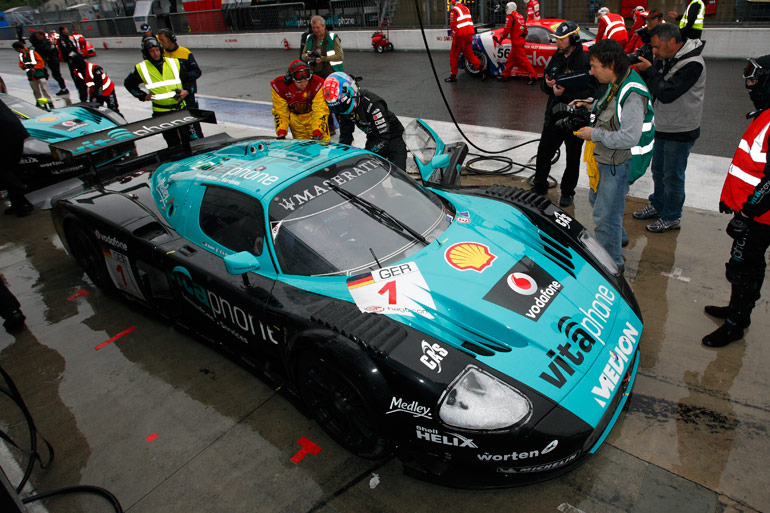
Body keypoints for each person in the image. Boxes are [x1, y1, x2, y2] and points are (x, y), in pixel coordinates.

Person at [702, 55, 770, 347]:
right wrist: (731, 200)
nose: (750, 87)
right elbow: (750, 167)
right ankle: (736, 310)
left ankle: (736, 324)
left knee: (742, 268)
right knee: (746, 266)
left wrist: (746, 215)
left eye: (755, 81)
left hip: (760, 217)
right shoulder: (765, 114)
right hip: (751, 211)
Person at [574, 39, 655, 270]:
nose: (592, 72)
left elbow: (629, 137)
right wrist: (588, 105)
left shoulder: (632, 93)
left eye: (595, 66)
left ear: (610, 64)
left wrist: (594, 134)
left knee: (605, 216)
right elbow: (608, 105)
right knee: (598, 199)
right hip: (609, 158)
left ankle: (612, 266)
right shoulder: (618, 80)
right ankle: (618, 237)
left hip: (621, 161)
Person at [633, 23, 706, 232]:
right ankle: (658, 204)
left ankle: (672, 216)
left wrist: (651, 70)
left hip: (681, 129)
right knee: (658, 171)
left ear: (671, 42)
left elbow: (666, 93)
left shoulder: (693, 64)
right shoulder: (670, 59)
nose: (654, 52)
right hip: (664, 125)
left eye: (656, 47)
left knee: (672, 175)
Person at [532, 21, 600, 207]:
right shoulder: (557, 57)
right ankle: (539, 186)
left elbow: (594, 92)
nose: (558, 42)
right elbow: (544, 84)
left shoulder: (586, 60)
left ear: (574, 38)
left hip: (575, 119)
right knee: (544, 152)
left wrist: (566, 94)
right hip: (553, 116)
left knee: (573, 158)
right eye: (557, 39)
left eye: (562, 39)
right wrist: (549, 85)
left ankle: (567, 192)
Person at [323, 72, 407, 170]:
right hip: (373, 138)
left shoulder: (373, 104)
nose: (340, 110)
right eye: (336, 108)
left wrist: (364, 155)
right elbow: (346, 137)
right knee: (370, 175)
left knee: (397, 176)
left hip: (393, 138)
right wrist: (337, 157)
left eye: (341, 106)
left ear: (351, 92)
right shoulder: (343, 111)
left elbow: (383, 139)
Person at [124, 37, 193, 148]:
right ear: (146, 53)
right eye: (152, 51)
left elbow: (188, 79)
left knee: (189, 140)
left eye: (157, 50)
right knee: (172, 143)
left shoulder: (174, 63)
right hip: (161, 112)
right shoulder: (141, 68)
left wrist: (186, 91)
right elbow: (129, 84)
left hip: (180, 108)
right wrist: (142, 96)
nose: (155, 54)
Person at [157, 28, 203, 137]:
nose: (161, 43)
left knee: (192, 124)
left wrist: (184, 78)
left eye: (162, 40)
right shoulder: (161, 54)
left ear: (170, 39)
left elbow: (197, 71)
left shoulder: (185, 53)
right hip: (171, 96)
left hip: (187, 94)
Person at [302, 15, 343, 134]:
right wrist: (308, 57)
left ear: (324, 26)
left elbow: (340, 56)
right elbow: (303, 55)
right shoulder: (309, 38)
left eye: (318, 27)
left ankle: (344, 128)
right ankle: (330, 128)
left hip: (332, 75)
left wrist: (323, 58)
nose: (315, 30)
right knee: (322, 103)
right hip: (316, 75)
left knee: (336, 102)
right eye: (313, 27)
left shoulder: (332, 37)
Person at [271, 60, 330, 141]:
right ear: (290, 78)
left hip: (313, 117)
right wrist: (281, 132)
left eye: (306, 80)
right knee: (301, 149)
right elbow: (280, 111)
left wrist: (317, 133)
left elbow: (320, 110)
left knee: (323, 147)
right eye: (299, 82)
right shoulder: (279, 85)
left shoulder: (318, 84)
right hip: (296, 121)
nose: (303, 84)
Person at [0, 98, 33, 218]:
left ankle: (22, 203)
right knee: (12, 168)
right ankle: (19, 203)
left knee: (4, 170)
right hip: (15, 131)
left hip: (5, 134)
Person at [444, 0, 485, 83]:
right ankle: (482, 69)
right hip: (469, 35)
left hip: (460, 36)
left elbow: (454, 27)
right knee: (469, 54)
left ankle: (453, 75)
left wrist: (454, 40)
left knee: (453, 56)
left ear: (453, 2)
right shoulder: (466, 8)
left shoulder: (454, 10)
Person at [496, 2, 536, 84]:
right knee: (511, 60)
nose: (505, 9)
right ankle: (505, 75)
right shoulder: (520, 16)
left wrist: (500, 40)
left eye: (507, 7)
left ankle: (533, 76)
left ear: (511, 8)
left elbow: (506, 31)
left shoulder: (510, 17)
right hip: (520, 41)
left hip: (516, 42)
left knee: (524, 60)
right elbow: (526, 30)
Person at [13, 42, 53, 106]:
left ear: (19, 48)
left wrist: (35, 68)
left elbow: (41, 62)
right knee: (35, 89)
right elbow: (21, 65)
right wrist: (24, 67)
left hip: (39, 73)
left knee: (44, 87)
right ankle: (39, 101)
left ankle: (49, 101)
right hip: (30, 74)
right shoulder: (21, 56)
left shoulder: (32, 53)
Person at [31, 30, 69, 96]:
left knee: (57, 75)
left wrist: (48, 57)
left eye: (38, 36)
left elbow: (49, 51)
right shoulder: (47, 42)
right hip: (53, 59)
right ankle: (63, 88)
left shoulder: (45, 43)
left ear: (41, 35)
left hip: (52, 60)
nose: (37, 38)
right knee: (56, 75)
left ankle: (64, 89)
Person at [57, 26, 88, 102]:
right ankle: (83, 98)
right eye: (66, 29)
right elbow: (66, 51)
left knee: (83, 81)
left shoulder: (67, 38)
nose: (67, 30)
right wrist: (75, 56)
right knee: (79, 81)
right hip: (72, 62)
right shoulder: (62, 40)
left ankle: (85, 96)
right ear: (62, 30)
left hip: (77, 62)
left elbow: (73, 49)